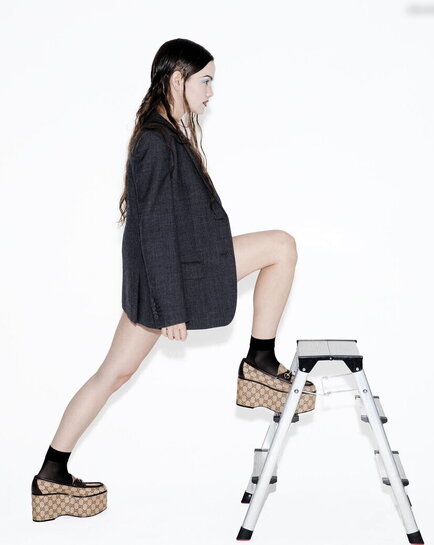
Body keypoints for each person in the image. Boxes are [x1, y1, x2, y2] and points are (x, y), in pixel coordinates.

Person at [31, 38, 316, 522]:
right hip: (175, 276)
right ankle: (260, 360)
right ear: (177, 79)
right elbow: (154, 230)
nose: (211, 92)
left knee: (112, 374)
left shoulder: (164, 134)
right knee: (281, 246)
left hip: (178, 270)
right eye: (205, 81)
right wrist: (171, 308)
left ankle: (51, 473)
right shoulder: (155, 141)